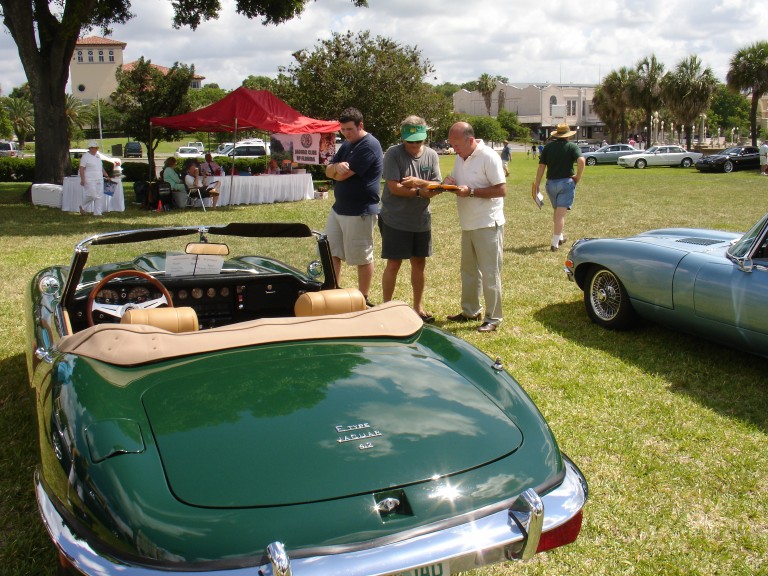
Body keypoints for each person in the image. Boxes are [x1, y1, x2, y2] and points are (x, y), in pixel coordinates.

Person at [443, 121, 507, 333]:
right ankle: (470, 311)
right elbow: (460, 185)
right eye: (451, 144)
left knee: (490, 272)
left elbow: (501, 190)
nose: (454, 149)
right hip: (468, 223)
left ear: (470, 140)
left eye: (457, 144)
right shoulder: (460, 158)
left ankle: (493, 318)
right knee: (468, 271)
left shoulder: (488, 156)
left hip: (487, 223)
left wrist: (470, 191)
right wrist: (449, 183)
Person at [380, 115, 442, 323]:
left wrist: (417, 183)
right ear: (402, 137)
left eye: (418, 141)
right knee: (394, 263)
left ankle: (418, 307)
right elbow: (393, 187)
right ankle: (386, 307)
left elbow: (436, 184)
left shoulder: (432, 155)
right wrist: (419, 192)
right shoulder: (393, 154)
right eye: (410, 141)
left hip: (420, 220)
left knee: (419, 263)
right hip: (395, 219)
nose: (414, 145)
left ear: (426, 136)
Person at [324, 107, 384, 306]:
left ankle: (363, 298)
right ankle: (333, 292)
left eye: (349, 129)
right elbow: (328, 170)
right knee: (331, 252)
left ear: (361, 125)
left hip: (360, 211)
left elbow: (342, 175)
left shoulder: (369, 145)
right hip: (338, 209)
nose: (346, 133)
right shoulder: (347, 145)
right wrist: (335, 168)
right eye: (342, 129)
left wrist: (336, 170)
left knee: (362, 256)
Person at [534, 123, 585, 252]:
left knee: (557, 212)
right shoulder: (572, 146)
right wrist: (578, 176)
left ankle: (560, 237)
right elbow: (581, 160)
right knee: (560, 215)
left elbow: (541, 166)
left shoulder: (548, 147)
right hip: (566, 183)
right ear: (568, 136)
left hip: (551, 184)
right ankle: (555, 242)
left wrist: (537, 184)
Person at [78, 140, 109, 216]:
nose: (96, 149)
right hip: (90, 179)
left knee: (99, 196)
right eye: (94, 148)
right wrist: (82, 179)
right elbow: (81, 168)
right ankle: (83, 206)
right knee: (92, 195)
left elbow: (101, 167)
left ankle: (97, 213)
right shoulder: (85, 157)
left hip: (99, 178)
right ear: (90, 148)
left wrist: (106, 175)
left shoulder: (98, 156)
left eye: (97, 148)